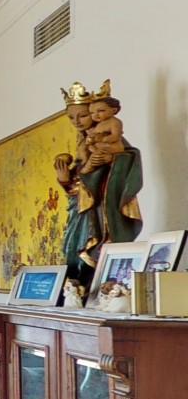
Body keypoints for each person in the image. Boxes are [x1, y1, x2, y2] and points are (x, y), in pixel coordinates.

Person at [57, 82, 143, 285]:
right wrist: (65, 178)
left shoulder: (108, 138)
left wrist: (111, 160)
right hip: (81, 208)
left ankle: (95, 285)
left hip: (101, 206)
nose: (77, 121)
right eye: (71, 117)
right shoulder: (83, 140)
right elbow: (78, 181)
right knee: (71, 246)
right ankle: (79, 287)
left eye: (83, 115)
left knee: (95, 245)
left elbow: (129, 156)